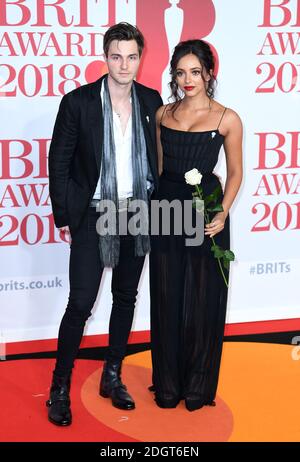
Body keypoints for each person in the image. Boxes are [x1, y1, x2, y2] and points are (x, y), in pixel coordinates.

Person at [47, 22, 163, 426]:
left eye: (132, 56)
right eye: (117, 56)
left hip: (137, 212)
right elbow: (58, 161)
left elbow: (158, 160)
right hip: (94, 213)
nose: (124, 64)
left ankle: (112, 375)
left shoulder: (151, 100)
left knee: (126, 297)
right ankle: (59, 387)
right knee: (80, 303)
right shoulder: (78, 102)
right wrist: (64, 216)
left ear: (140, 59)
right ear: (105, 57)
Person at [149, 39, 243, 411]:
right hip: (165, 208)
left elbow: (235, 172)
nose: (187, 79)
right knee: (167, 294)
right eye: (180, 72)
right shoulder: (162, 115)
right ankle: (168, 383)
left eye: (195, 72)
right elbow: (157, 169)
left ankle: (199, 385)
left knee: (203, 298)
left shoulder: (226, 118)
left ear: (209, 74)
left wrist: (223, 212)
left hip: (206, 213)